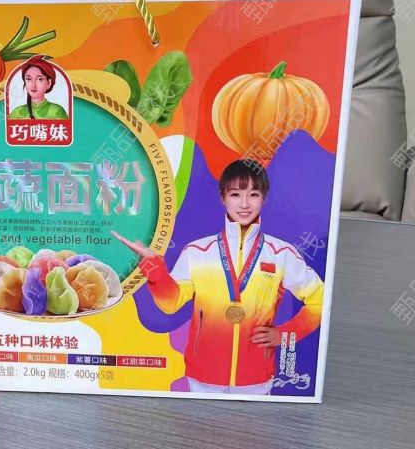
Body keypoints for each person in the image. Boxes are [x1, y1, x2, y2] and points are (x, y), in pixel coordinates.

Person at [113, 160, 324, 395]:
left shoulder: (280, 254)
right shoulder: (198, 251)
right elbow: (171, 303)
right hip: (203, 376)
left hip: (256, 377)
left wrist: (285, 335)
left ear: (264, 198)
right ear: (223, 197)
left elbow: (319, 300)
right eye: (235, 194)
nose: (244, 204)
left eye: (253, 194)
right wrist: (154, 267)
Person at [8, 55, 69, 120]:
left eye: (40, 79)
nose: (33, 85)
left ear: (49, 83)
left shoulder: (58, 111)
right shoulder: (16, 113)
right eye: (28, 79)